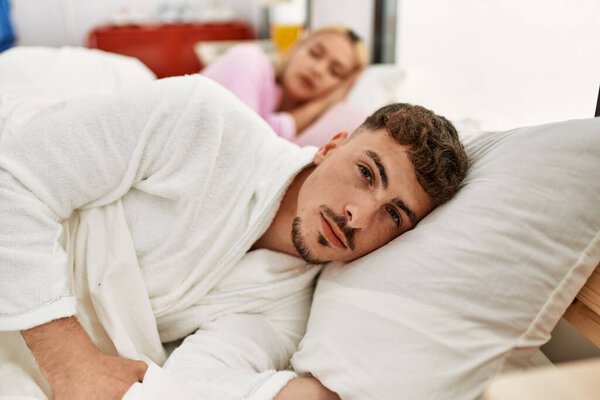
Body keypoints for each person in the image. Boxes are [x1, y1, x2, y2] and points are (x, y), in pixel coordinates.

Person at [0, 75, 468, 399]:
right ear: (331, 147)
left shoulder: (288, 308)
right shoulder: (199, 118)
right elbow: (13, 181)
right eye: (366, 173)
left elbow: (198, 380)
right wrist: (72, 363)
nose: (359, 215)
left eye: (394, 215)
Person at [202, 25, 368, 142]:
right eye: (315, 53)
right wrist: (319, 105)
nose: (318, 70)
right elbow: (242, 141)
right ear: (296, 48)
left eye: (335, 71)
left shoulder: (310, 130)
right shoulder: (248, 59)